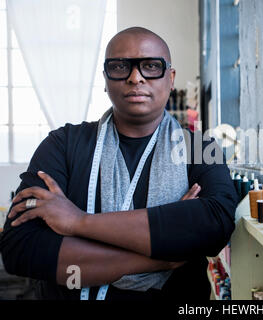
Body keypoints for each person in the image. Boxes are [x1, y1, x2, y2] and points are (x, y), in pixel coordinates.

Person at [0, 27, 238, 300]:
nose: (135, 77)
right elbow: (21, 250)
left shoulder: (199, 149)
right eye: (120, 66)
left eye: (151, 66)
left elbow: (216, 226)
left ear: (170, 78)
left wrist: (78, 222)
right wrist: (161, 256)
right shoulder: (63, 144)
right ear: (105, 78)